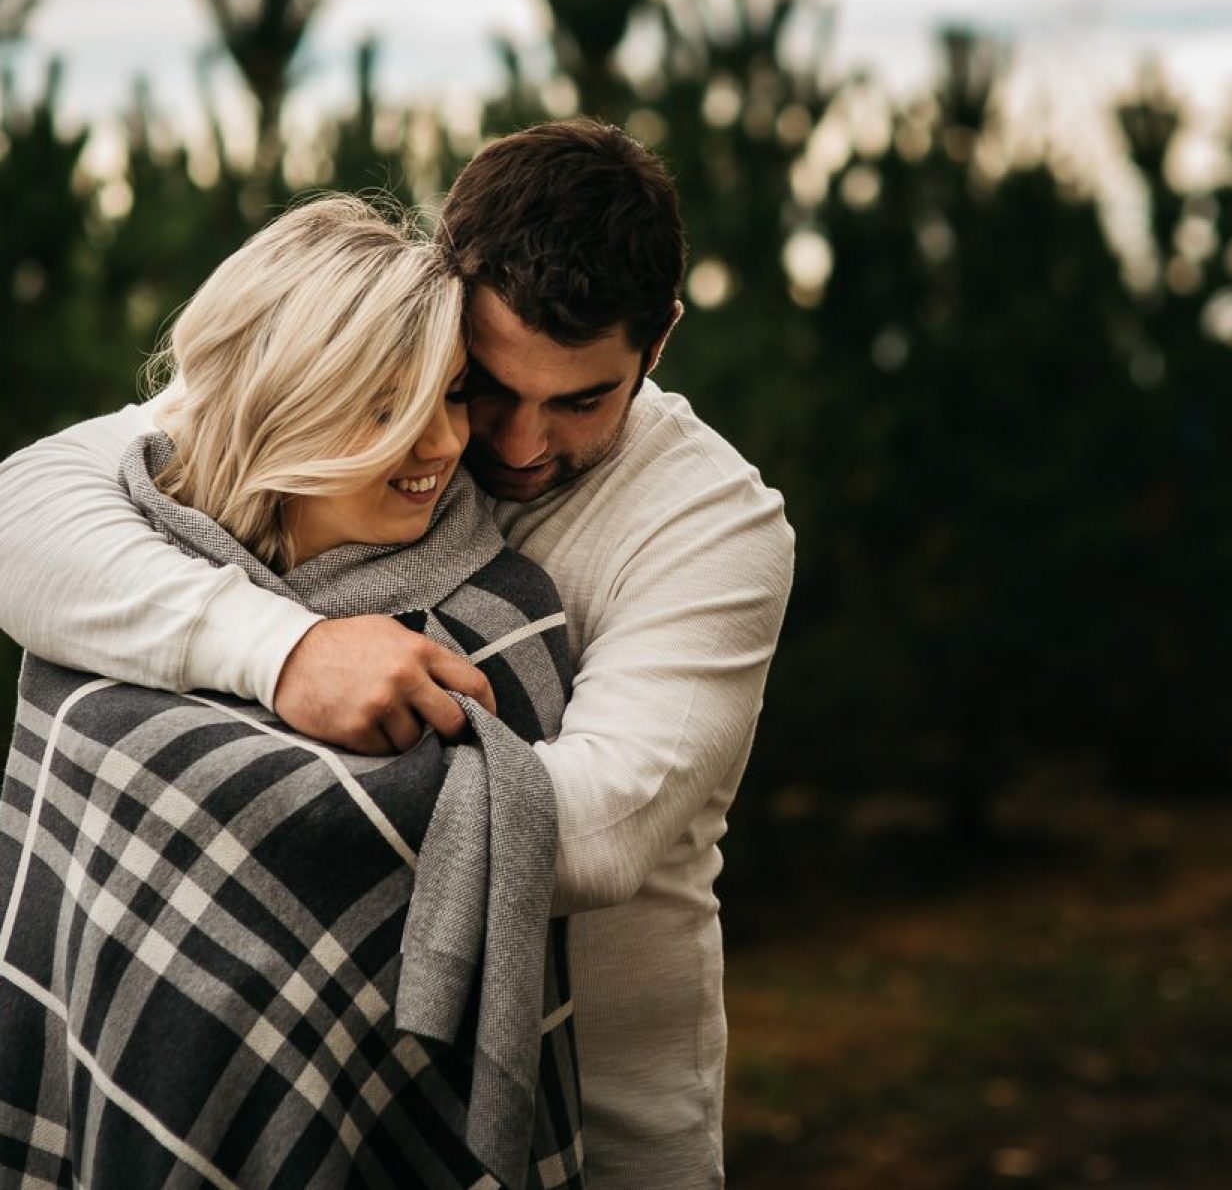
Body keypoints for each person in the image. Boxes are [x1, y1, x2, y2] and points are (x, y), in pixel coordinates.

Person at [0, 118, 797, 1188]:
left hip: (600, 1120)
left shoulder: (714, 524)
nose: (514, 446)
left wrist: (227, 787)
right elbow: (26, 513)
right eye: (486, 386)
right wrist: (287, 654)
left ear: (658, 343)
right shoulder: (376, 386)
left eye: (581, 401)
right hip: (284, 1059)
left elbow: (604, 826)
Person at [0, 195, 584, 1189]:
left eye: (449, 394)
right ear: (285, 400)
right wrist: (291, 652)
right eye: (385, 402)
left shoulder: (502, 616)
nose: (442, 444)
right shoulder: (115, 568)